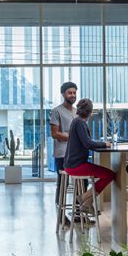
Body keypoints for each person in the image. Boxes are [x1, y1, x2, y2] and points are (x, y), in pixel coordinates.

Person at [63, 99, 116, 213]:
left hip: (72, 165)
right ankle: (83, 197)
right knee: (110, 175)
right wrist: (104, 144)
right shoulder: (80, 123)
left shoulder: (76, 122)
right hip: (76, 166)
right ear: (91, 112)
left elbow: (87, 142)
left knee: (108, 175)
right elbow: (88, 143)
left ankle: (87, 203)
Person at [50, 81, 78, 211]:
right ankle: (61, 216)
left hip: (76, 153)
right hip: (62, 153)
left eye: (74, 92)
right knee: (63, 183)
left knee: (80, 182)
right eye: (69, 93)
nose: (72, 95)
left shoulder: (77, 112)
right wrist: (73, 136)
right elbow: (55, 134)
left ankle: (78, 212)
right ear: (63, 94)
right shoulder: (56, 111)